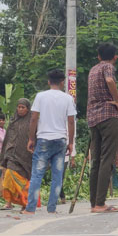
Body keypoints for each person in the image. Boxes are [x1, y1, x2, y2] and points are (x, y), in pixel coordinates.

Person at [23, 70, 76, 214]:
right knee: (57, 176)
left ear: (48, 82)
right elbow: (71, 122)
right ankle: (52, 208)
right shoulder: (67, 98)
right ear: (62, 82)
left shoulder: (40, 96)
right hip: (60, 141)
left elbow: (34, 118)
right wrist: (71, 143)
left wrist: (31, 138)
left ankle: (31, 208)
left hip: (43, 140)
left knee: (37, 175)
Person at [87, 43, 118, 213]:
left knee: (96, 160)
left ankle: (94, 202)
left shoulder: (93, 70)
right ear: (115, 57)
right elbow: (109, 80)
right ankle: (101, 203)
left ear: (98, 56)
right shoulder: (108, 67)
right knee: (107, 159)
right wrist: (117, 100)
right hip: (108, 115)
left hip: (93, 117)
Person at [0, 99, 38, 211]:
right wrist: (4, 154)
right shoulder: (13, 121)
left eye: (23, 107)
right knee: (8, 176)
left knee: (23, 180)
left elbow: (35, 137)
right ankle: (8, 202)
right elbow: (8, 138)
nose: (20, 109)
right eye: (19, 107)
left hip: (26, 156)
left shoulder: (32, 121)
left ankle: (25, 202)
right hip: (12, 154)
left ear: (28, 108)